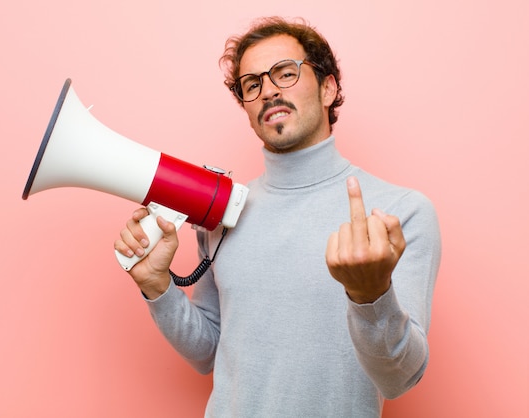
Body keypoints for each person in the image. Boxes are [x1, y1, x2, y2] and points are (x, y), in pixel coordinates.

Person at [115, 16, 441, 418]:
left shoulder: (402, 213)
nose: (268, 90)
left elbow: (398, 379)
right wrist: (158, 287)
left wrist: (371, 296)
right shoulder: (223, 213)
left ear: (328, 88)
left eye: (285, 74)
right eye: (252, 85)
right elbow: (209, 354)